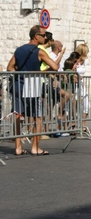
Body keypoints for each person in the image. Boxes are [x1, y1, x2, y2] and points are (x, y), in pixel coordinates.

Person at [6, 25, 59, 155]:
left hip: (19, 84)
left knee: (18, 115)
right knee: (37, 117)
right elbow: (55, 66)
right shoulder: (39, 51)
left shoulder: (19, 50)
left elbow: (9, 68)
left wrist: (21, 73)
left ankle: (18, 147)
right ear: (36, 36)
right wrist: (42, 72)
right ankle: (35, 147)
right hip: (33, 86)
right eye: (43, 35)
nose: (45, 37)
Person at [75, 44, 91, 131]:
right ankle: (72, 125)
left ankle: (83, 125)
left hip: (81, 85)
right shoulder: (74, 60)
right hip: (73, 85)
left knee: (87, 105)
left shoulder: (84, 61)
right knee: (72, 106)